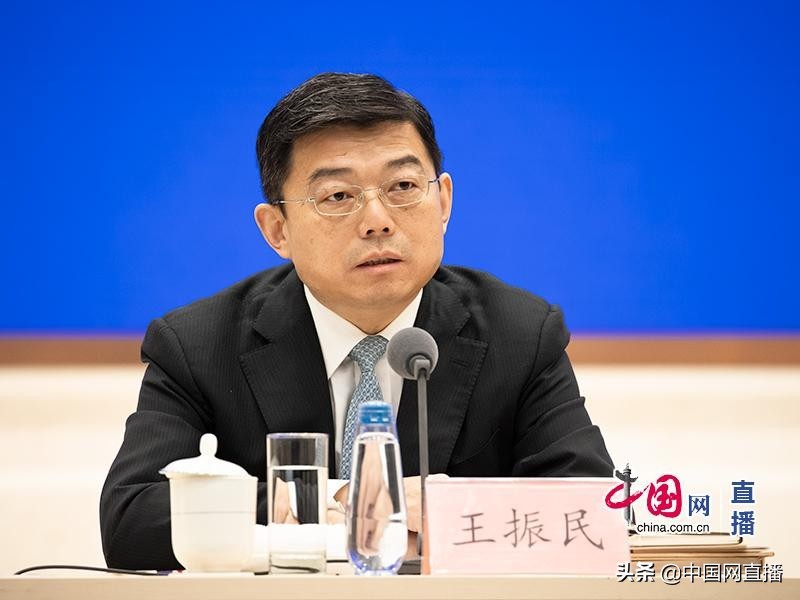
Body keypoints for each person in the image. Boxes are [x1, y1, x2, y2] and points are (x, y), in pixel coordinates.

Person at [100, 72, 613, 570]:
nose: (377, 221)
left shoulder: (520, 333)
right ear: (277, 229)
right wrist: (342, 501)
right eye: (338, 197)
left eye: (403, 185)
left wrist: (454, 512)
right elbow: (131, 521)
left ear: (443, 201)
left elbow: (592, 514)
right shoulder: (197, 345)